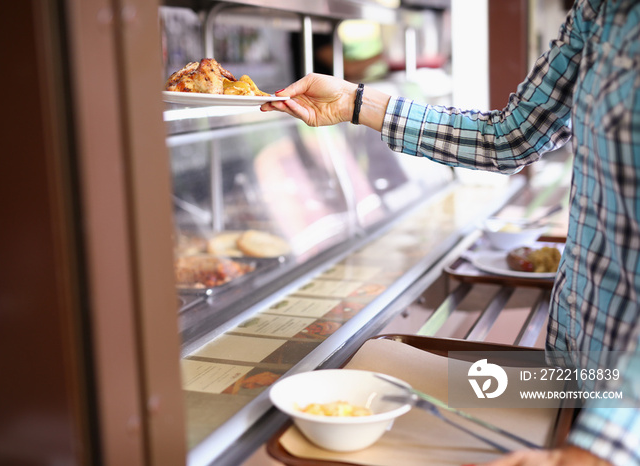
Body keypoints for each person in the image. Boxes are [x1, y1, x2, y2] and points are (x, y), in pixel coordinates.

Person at [262, 0, 639, 465]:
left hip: (623, 423)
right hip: (567, 375)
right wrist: (359, 103)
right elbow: (511, 135)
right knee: (389, 395)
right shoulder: (599, 10)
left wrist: (598, 451)